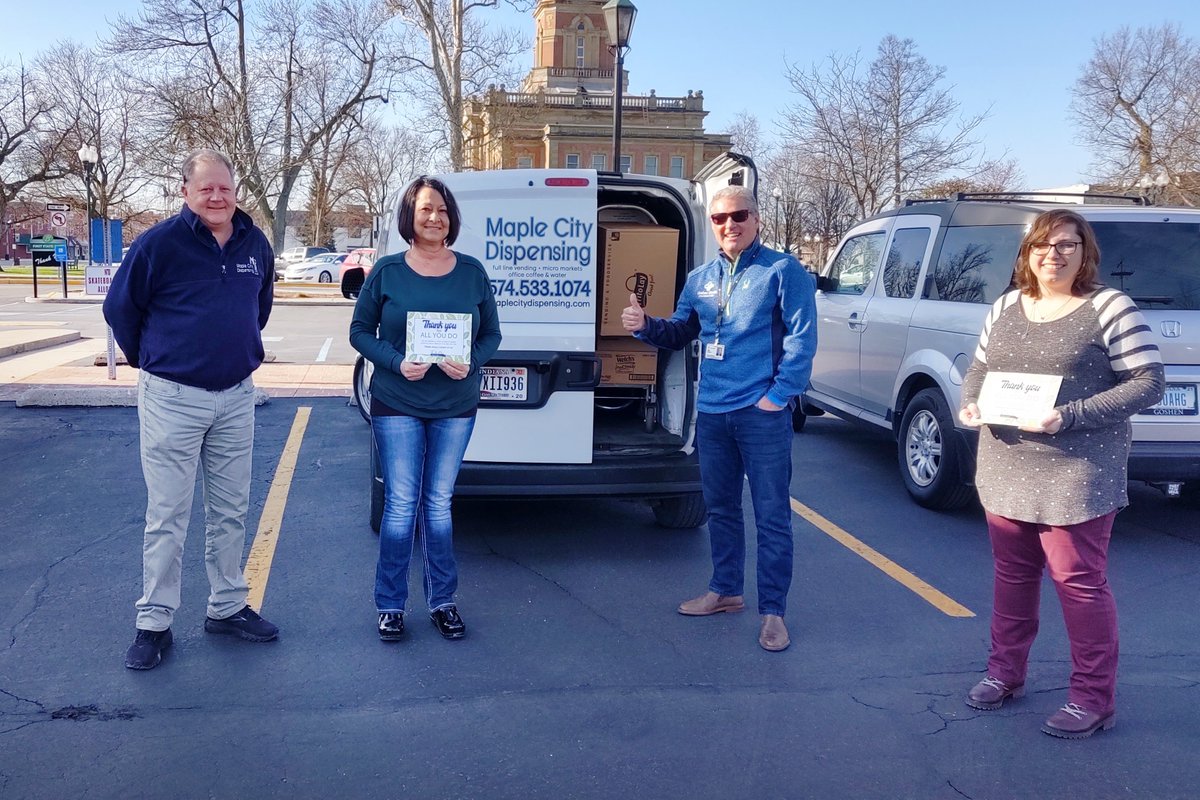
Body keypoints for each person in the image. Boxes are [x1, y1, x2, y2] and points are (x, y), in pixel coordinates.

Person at [959, 208, 1164, 738]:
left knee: (1080, 585)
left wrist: (1070, 416)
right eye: (1043, 245)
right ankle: (1005, 673)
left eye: (1067, 245)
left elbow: (1148, 381)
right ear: (1027, 253)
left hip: (1077, 471)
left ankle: (1092, 699)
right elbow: (980, 368)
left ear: (1085, 252)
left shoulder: (1108, 307)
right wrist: (969, 403)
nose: (1054, 254)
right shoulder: (1006, 305)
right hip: (1005, 467)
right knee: (1012, 577)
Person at [103, 148, 279, 671]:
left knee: (231, 510)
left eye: (224, 187)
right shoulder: (158, 244)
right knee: (168, 515)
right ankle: (154, 623)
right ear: (185, 191)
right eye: (205, 189)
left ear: (235, 190)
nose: (216, 197)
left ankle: (226, 606)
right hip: (172, 399)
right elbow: (120, 310)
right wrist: (152, 359)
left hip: (235, 396)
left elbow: (259, 306)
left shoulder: (254, 243)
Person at [621, 185, 817, 652]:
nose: (729, 225)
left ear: (757, 219)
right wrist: (645, 325)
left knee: (771, 515)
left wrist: (778, 398)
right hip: (712, 412)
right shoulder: (699, 278)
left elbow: (802, 340)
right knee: (722, 510)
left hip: (760, 414)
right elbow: (681, 331)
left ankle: (773, 612)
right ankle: (726, 591)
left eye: (739, 215)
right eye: (719, 218)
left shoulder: (782, 271)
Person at [350, 176, 501, 642]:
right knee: (400, 505)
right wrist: (396, 362)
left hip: (455, 404)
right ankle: (391, 605)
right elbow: (360, 332)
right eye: (425, 210)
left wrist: (472, 361)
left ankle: (443, 601)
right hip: (397, 402)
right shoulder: (388, 271)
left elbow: (491, 334)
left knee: (438, 505)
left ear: (451, 217)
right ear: (409, 219)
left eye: (441, 210)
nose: (435, 217)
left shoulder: (472, 272)